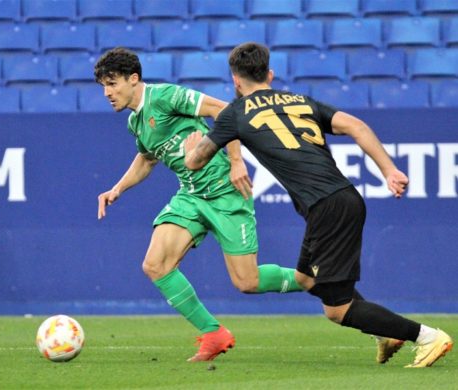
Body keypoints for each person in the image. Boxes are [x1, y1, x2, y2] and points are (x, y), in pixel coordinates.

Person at [184, 42, 453, 368]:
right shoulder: (300, 101)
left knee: (337, 310)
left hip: (328, 208)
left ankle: (426, 336)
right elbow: (357, 126)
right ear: (269, 74)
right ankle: (385, 333)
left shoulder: (234, 114)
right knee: (305, 279)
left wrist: (191, 148)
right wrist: (389, 170)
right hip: (341, 200)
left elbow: (196, 162)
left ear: (235, 81)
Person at [94, 47, 303, 362]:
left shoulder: (164, 96)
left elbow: (223, 110)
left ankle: (315, 278)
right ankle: (213, 333)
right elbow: (147, 158)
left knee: (248, 282)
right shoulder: (136, 123)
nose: (107, 93)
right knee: (155, 264)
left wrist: (235, 161)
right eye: (104, 86)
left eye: (113, 84)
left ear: (133, 79)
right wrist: (117, 188)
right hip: (190, 196)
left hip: (224, 192)